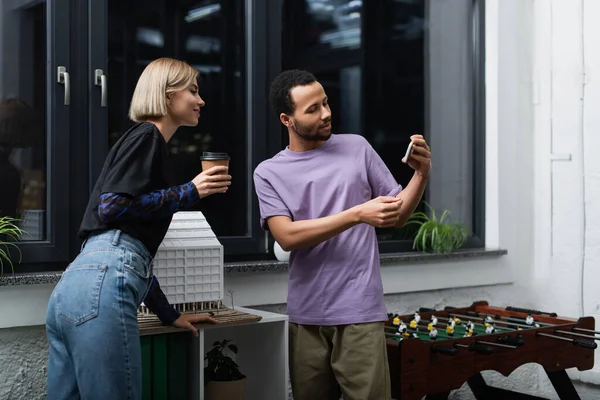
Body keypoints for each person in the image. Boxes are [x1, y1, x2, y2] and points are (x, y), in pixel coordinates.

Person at [45, 58, 231, 400]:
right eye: (193, 89)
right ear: (167, 94)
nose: (200, 99)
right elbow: (112, 208)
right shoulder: (147, 136)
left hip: (73, 287)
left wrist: (167, 313)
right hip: (101, 282)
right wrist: (192, 191)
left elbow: (127, 247)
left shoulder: (140, 142)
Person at [253, 69, 431, 400]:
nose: (326, 114)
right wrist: (356, 214)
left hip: (360, 311)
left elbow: (397, 215)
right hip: (306, 315)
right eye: (312, 109)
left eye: (325, 103)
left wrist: (420, 175)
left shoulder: (356, 148)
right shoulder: (268, 173)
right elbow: (287, 237)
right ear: (286, 119)